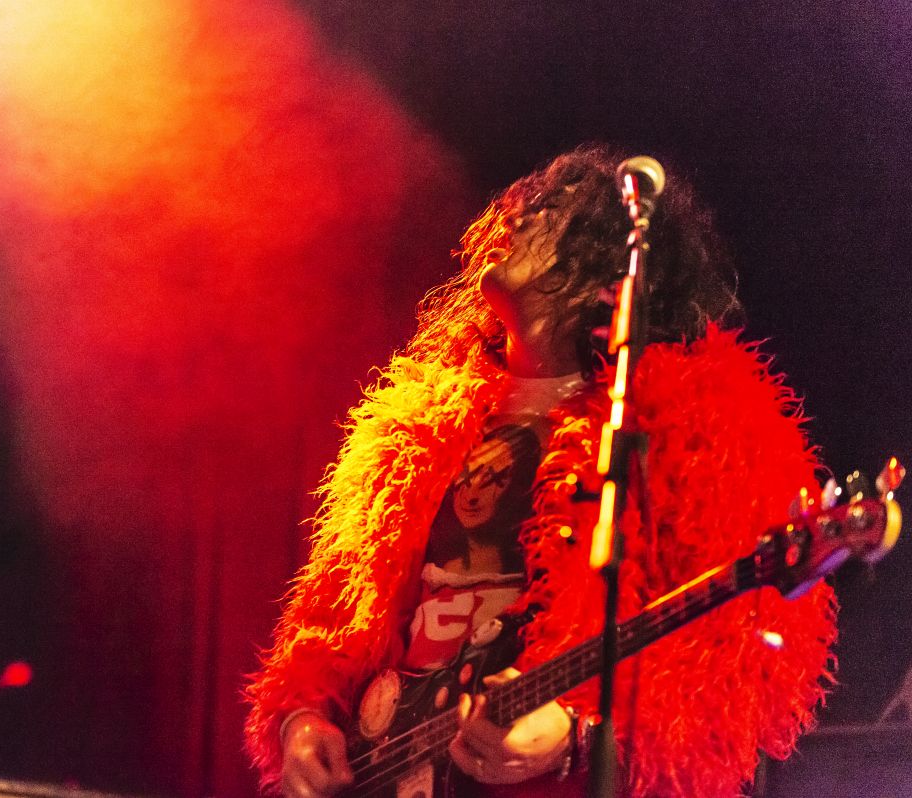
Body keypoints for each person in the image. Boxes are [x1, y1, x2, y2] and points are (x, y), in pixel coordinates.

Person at [244, 145, 836, 797]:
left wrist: (580, 733)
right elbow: (326, 624)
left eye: (554, 212)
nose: (519, 218)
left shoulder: (701, 427)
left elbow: (745, 653)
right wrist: (302, 720)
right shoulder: (410, 428)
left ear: (604, 265)